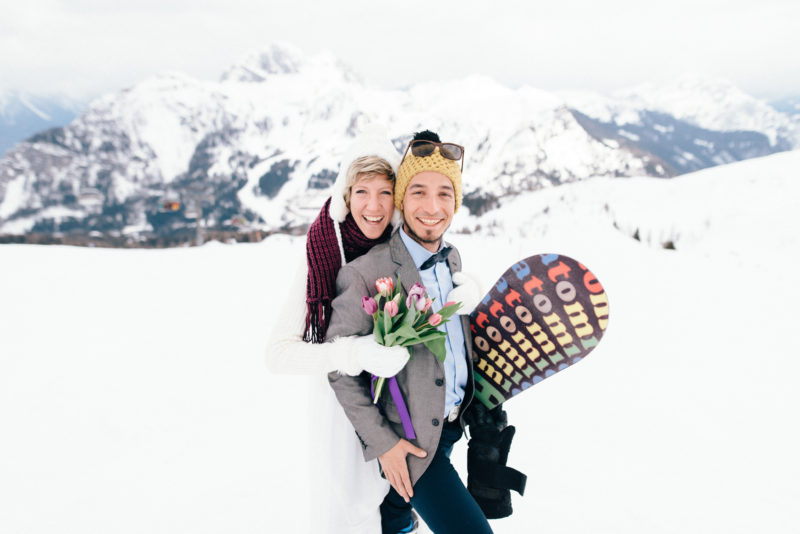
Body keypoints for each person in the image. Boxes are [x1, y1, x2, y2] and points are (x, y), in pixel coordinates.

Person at [326, 130, 491, 534]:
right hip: (414, 447)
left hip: (454, 426)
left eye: (445, 194)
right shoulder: (366, 274)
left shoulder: (453, 258)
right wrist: (383, 444)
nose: (432, 208)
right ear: (402, 199)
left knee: (396, 520)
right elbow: (338, 369)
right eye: (418, 192)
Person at [265, 128, 412, 533]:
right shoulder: (322, 249)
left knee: (396, 513)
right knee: (352, 514)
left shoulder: (404, 248)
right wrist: (353, 354)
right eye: (362, 191)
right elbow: (277, 354)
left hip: (399, 406)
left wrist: (465, 288)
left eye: (385, 192)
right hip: (340, 411)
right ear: (346, 196)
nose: (374, 206)